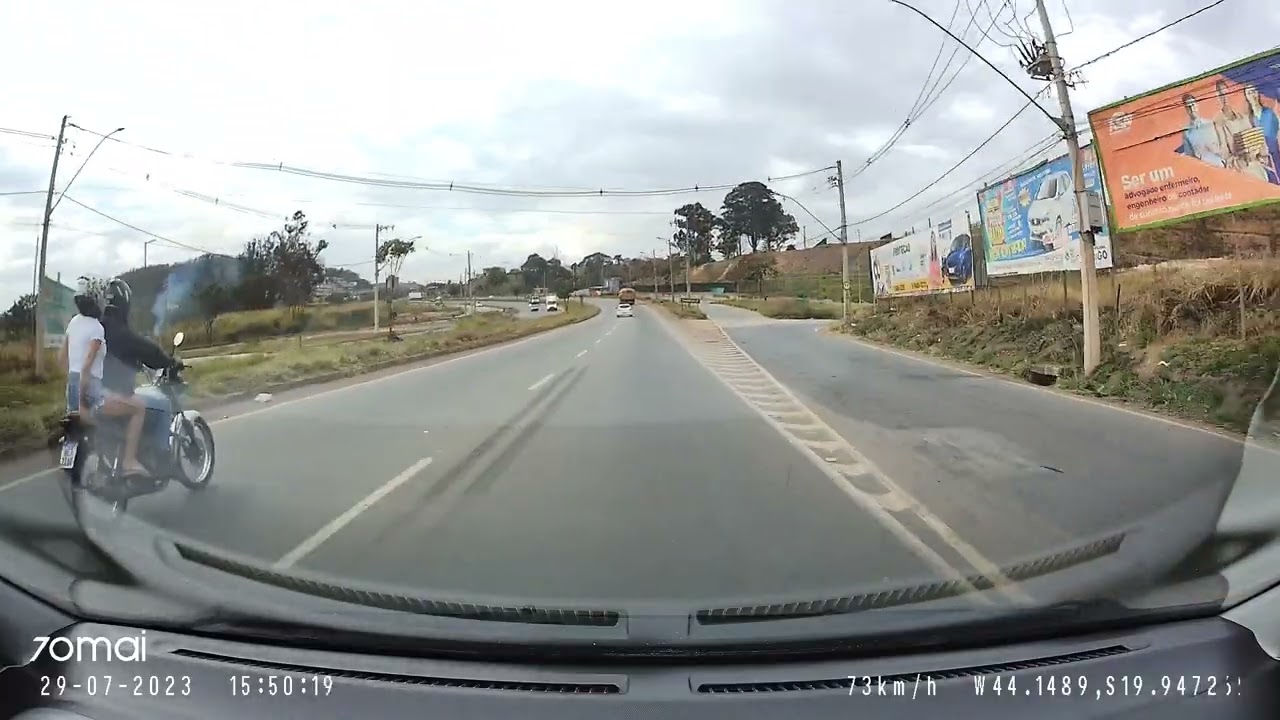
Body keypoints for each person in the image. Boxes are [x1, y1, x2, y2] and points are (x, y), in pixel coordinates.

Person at [100, 278, 176, 477]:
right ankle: (161, 458)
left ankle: (139, 449)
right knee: (163, 404)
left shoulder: (97, 328)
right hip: (115, 395)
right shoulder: (120, 331)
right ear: (125, 302)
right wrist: (168, 362)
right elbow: (148, 350)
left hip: (94, 395)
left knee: (142, 398)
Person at [61, 279, 106, 418]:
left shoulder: (73, 322)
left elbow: (62, 356)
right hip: (89, 383)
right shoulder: (97, 328)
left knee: (74, 421)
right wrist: (82, 397)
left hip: (72, 380)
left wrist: (71, 380)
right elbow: (87, 363)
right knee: (102, 423)